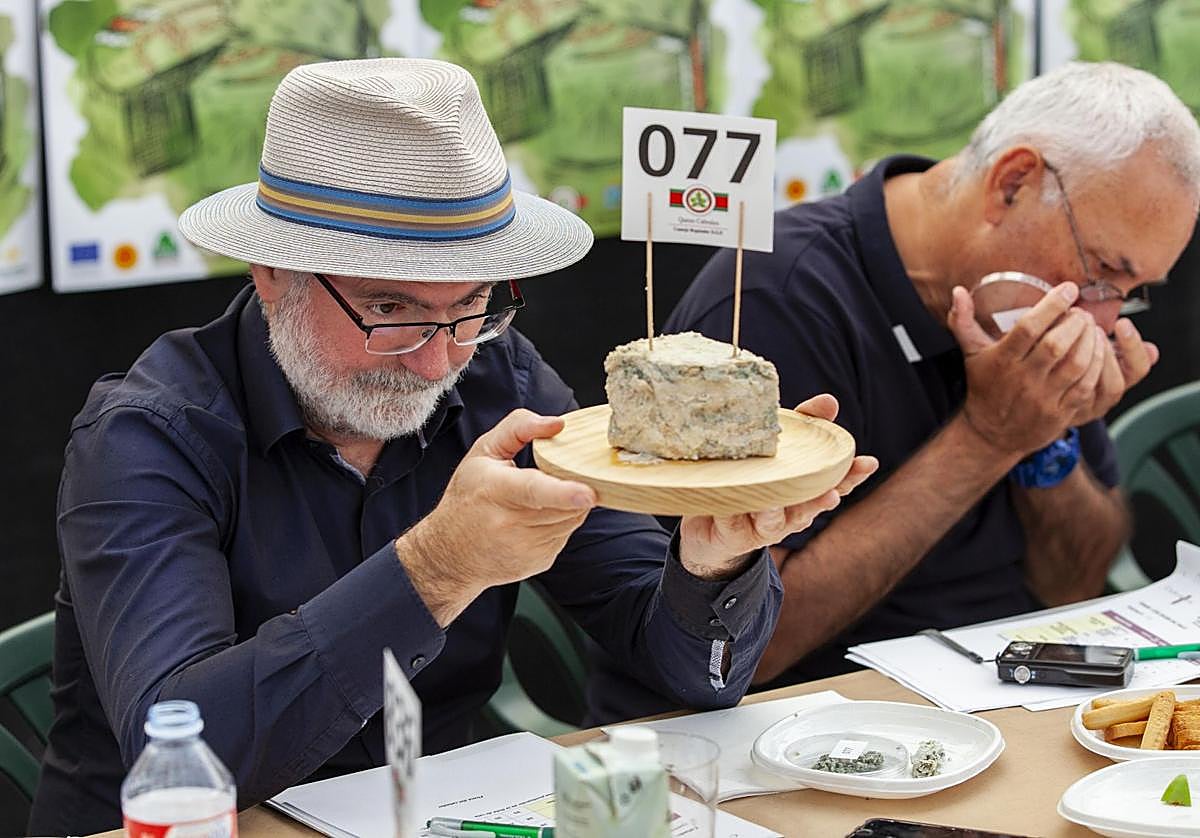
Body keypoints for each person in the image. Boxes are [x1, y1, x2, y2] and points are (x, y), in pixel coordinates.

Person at [28, 58, 875, 834]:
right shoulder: (148, 435)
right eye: (388, 309)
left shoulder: (498, 373)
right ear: (272, 272)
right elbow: (183, 753)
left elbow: (689, 673)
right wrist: (434, 570)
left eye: (471, 306)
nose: (436, 363)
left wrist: (714, 564)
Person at [665, 61, 1200, 687]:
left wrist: (1044, 437)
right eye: (1103, 271)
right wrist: (987, 438)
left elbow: (1071, 585)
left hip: (1003, 689)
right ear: (1012, 184)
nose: (1103, 318)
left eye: (1129, 294)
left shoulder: (1036, 319)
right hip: (808, 714)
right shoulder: (776, 296)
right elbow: (735, 654)